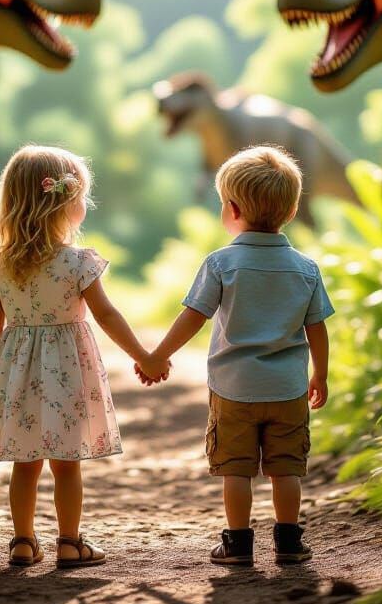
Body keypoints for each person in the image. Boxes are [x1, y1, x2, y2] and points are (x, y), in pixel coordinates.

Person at [0, 145, 166, 568]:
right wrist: (145, 356)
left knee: (25, 463)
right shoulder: (76, 262)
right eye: (81, 195)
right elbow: (107, 314)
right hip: (66, 375)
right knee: (66, 464)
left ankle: (22, 542)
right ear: (64, 201)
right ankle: (69, 542)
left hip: (17, 373)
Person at [137, 145, 332, 566]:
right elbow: (317, 326)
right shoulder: (306, 268)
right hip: (288, 389)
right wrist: (321, 374)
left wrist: (157, 356)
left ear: (232, 208)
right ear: (293, 209)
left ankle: (239, 544)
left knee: (237, 470)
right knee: (286, 469)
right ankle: (289, 542)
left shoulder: (221, 263)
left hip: (233, 389)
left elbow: (193, 317)